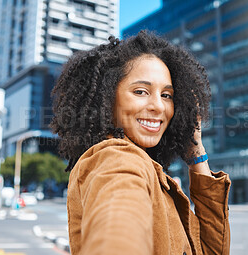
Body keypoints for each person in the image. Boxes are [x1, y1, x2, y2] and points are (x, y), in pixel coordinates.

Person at [50, 30, 231, 255]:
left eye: (167, 95)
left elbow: (212, 251)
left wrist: (197, 154)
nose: (158, 106)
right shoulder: (116, 159)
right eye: (141, 91)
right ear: (107, 99)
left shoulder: (150, 169)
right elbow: (119, 228)